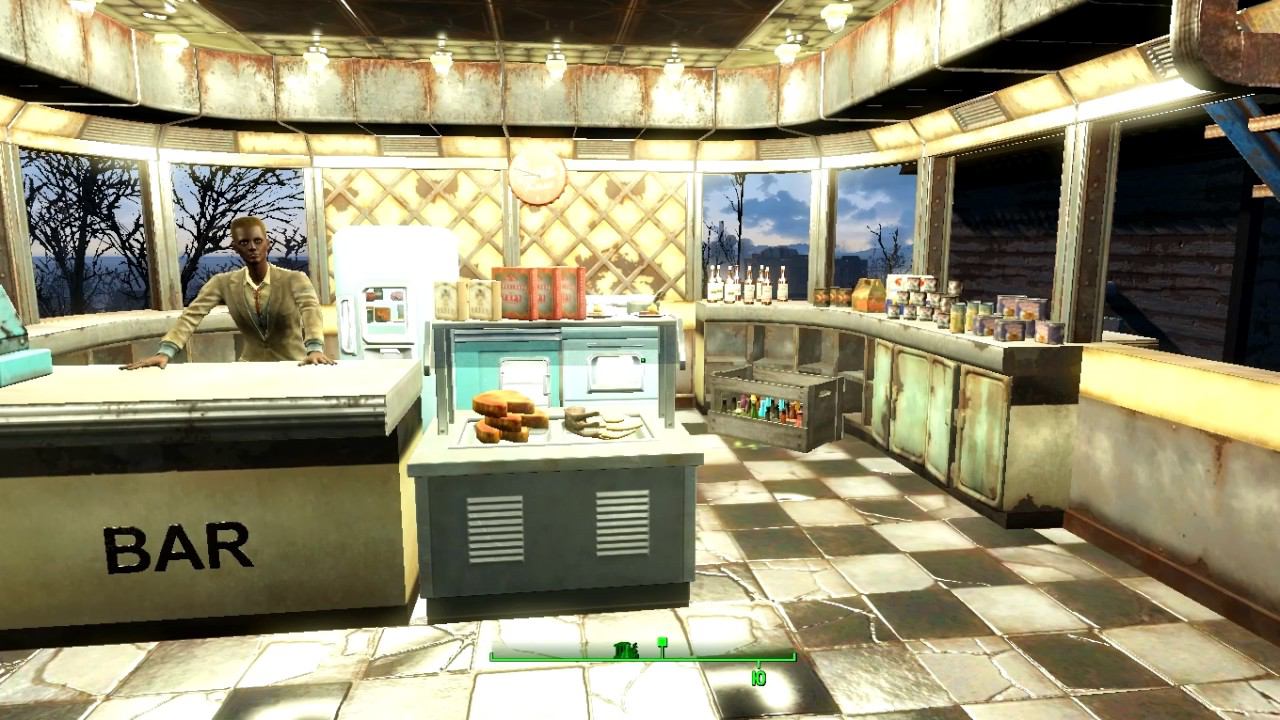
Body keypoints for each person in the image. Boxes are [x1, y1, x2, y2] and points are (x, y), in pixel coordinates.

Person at [122, 216, 336, 369]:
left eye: (257, 241)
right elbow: (191, 316)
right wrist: (165, 352)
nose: (252, 247)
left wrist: (315, 349)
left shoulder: (294, 279)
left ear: (267, 244)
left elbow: (311, 311)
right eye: (244, 242)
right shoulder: (223, 283)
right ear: (235, 247)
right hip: (249, 368)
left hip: (293, 365)